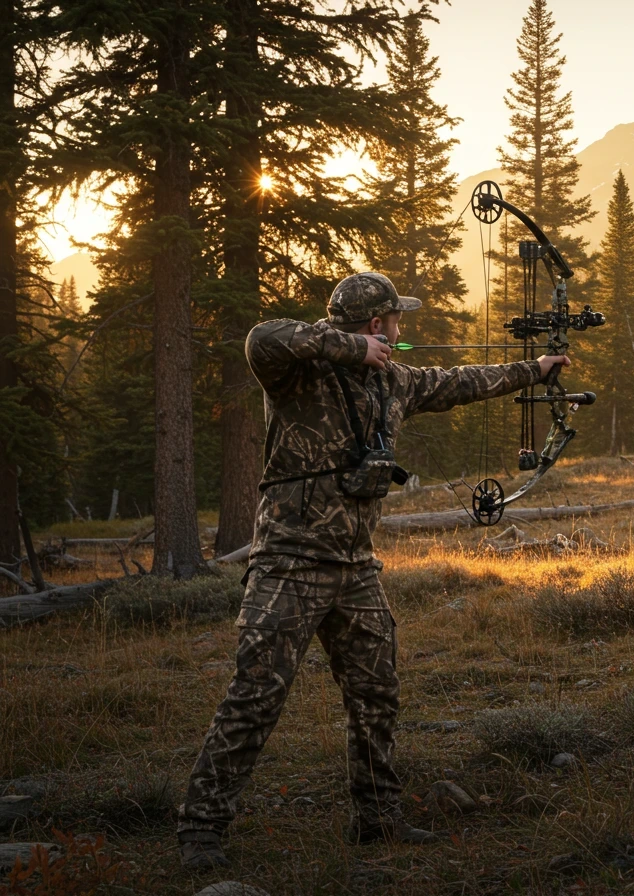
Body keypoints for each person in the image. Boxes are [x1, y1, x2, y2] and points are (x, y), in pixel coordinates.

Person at [176, 272, 567, 869]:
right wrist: (349, 346)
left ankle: (379, 820)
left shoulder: (396, 379)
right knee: (255, 696)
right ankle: (200, 830)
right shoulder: (298, 373)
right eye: (393, 322)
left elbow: (461, 381)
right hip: (289, 563)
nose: (401, 330)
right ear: (375, 325)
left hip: (356, 569)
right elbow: (264, 336)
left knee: (376, 696)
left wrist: (536, 368)